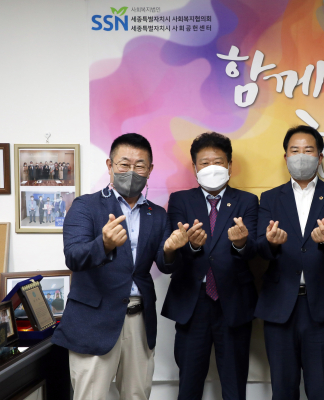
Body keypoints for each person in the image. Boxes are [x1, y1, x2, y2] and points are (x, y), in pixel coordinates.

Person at [52, 133, 191, 400]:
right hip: (94, 320)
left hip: (139, 320)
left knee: (137, 395)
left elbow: (165, 265)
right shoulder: (85, 206)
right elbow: (73, 257)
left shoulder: (157, 213)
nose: (131, 171)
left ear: (150, 170)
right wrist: (103, 244)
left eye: (140, 166)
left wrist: (171, 249)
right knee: (91, 396)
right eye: (124, 164)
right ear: (110, 165)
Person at [256, 125, 324, 400]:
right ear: (285, 156)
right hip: (280, 306)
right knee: (282, 391)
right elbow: (259, 248)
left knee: (320, 390)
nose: (301, 156)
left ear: (320, 156)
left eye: (308, 150)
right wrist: (271, 242)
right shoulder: (270, 198)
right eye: (295, 150)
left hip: (323, 305)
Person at [161, 132, 258, 400]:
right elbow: (174, 247)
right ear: (194, 167)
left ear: (229, 165)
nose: (211, 168)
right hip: (192, 303)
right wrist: (192, 246)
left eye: (218, 162)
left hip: (234, 302)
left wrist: (241, 243)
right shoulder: (180, 200)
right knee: (189, 386)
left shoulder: (247, 201)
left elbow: (255, 251)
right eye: (204, 163)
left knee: (235, 386)